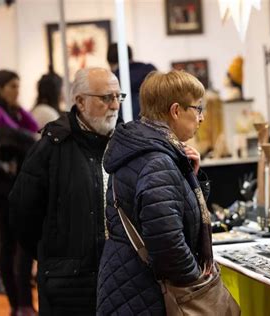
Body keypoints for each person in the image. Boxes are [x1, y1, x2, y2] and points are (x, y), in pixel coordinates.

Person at [97, 70, 215, 315]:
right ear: (175, 111)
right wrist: (197, 282)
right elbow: (168, 243)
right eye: (197, 108)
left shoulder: (146, 149)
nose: (201, 118)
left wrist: (190, 174)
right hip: (145, 294)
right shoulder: (157, 160)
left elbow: (176, 214)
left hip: (129, 282)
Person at [9, 67, 123, 315]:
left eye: (118, 96)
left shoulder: (122, 145)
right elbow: (22, 213)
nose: (115, 105)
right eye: (106, 97)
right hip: (67, 285)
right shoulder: (52, 147)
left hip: (117, 280)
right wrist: (54, 255)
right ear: (80, 101)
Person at [0, 70, 39, 315]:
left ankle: (20, 304)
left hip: (11, 189)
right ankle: (19, 303)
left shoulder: (8, 112)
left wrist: (18, 108)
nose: (17, 90)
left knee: (14, 245)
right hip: (3, 190)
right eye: (13, 86)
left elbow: (34, 128)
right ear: (0, 88)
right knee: (12, 246)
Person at [107, 43, 156, 120]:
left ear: (111, 63)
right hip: (155, 122)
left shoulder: (117, 79)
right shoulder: (150, 70)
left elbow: (118, 102)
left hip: (130, 125)